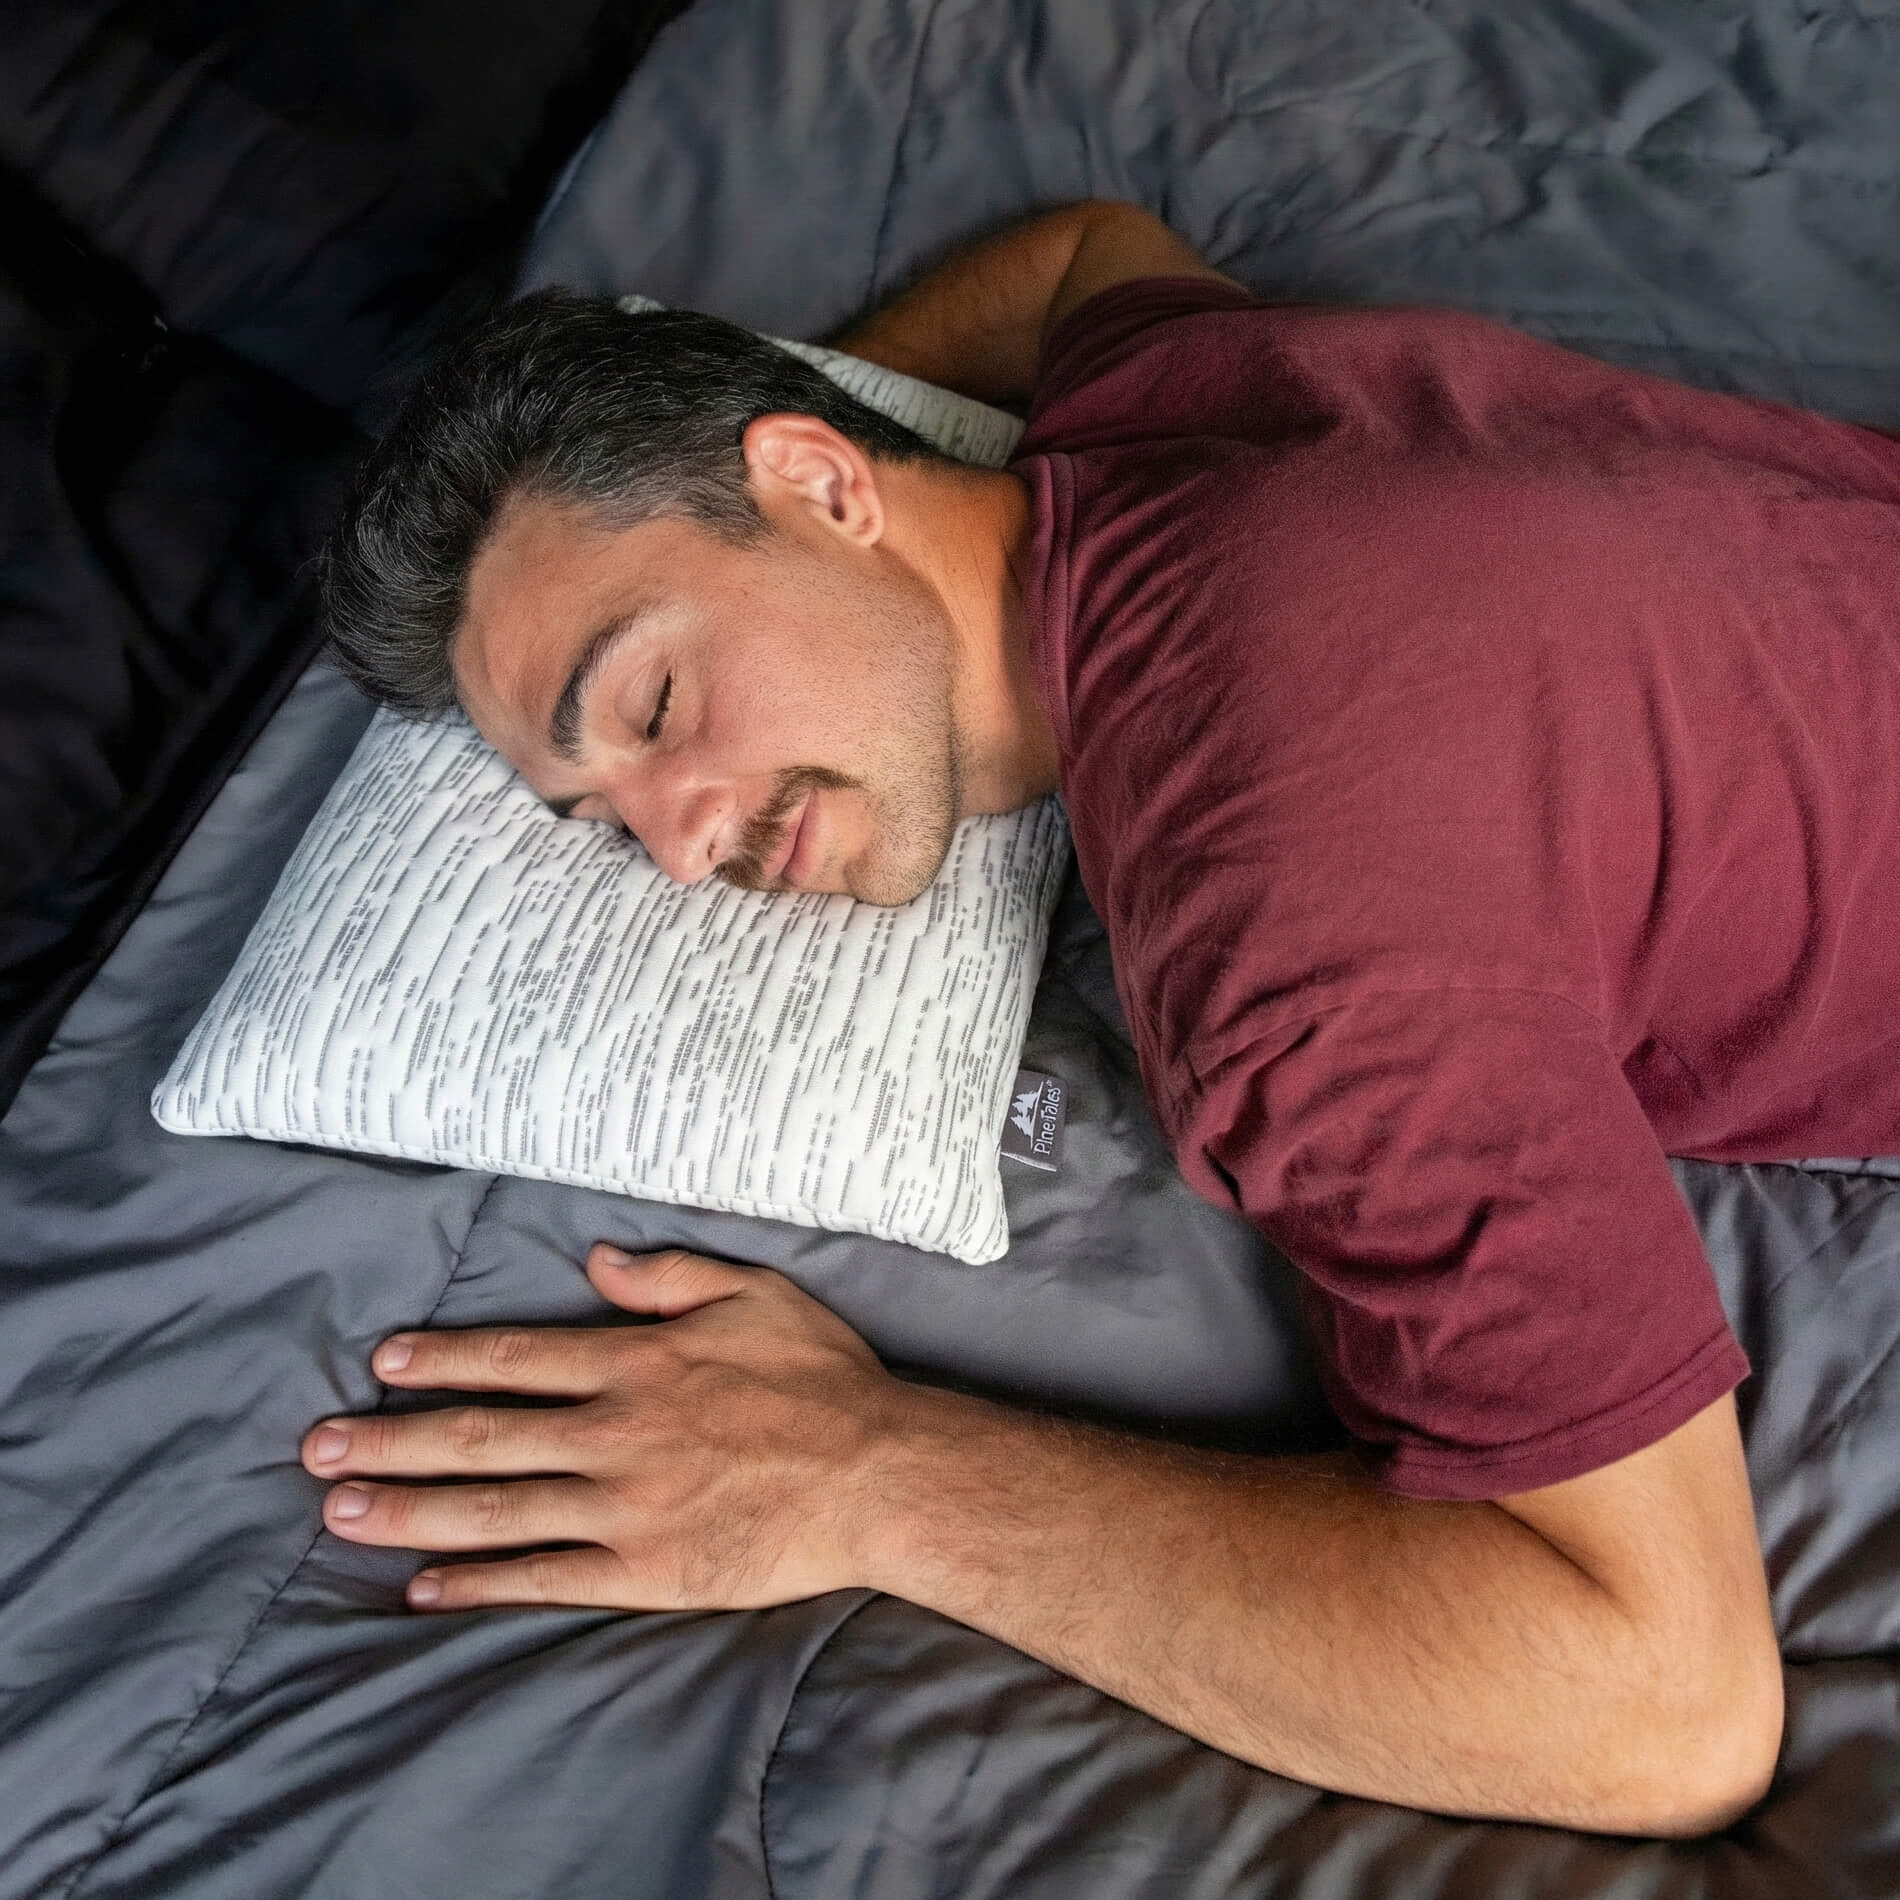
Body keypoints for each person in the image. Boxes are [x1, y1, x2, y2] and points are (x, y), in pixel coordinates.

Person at [304, 200, 1900, 1836]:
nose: (681, 844)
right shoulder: (1164, 397)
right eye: (599, 816)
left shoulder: (1290, 930)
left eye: (651, 703)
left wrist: (861, 1471)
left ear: (825, 480)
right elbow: (1072, 255)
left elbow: (1667, 1704)